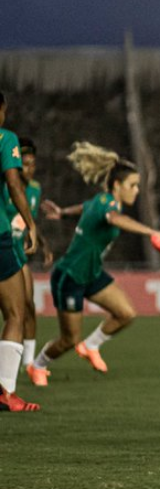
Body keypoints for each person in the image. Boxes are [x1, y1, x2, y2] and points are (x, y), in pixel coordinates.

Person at [26, 142, 160, 386]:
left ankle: (91, 345)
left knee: (126, 313)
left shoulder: (99, 201)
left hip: (91, 273)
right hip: (70, 275)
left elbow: (84, 207)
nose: (136, 191)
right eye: (132, 185)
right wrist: (152, 232)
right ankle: (37, 365)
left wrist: (62, 212)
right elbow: (115, 219)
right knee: (68, 340)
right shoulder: (109, 206)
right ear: (117, 185)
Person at [0, 92, 40, 412]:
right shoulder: (5, 137)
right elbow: (14, 185)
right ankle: (7, 392)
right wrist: (31, 224)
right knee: (15, 312)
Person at [2, 138, 54, 374]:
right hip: (4, 248)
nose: (28, 169)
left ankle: (29, 363)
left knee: (27, 306)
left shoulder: (34, 189)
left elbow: (28, 220)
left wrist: (43, 244)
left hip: (18, 253)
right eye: (24, 164)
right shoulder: (5, 186)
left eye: (32, 164)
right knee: (14, 310)